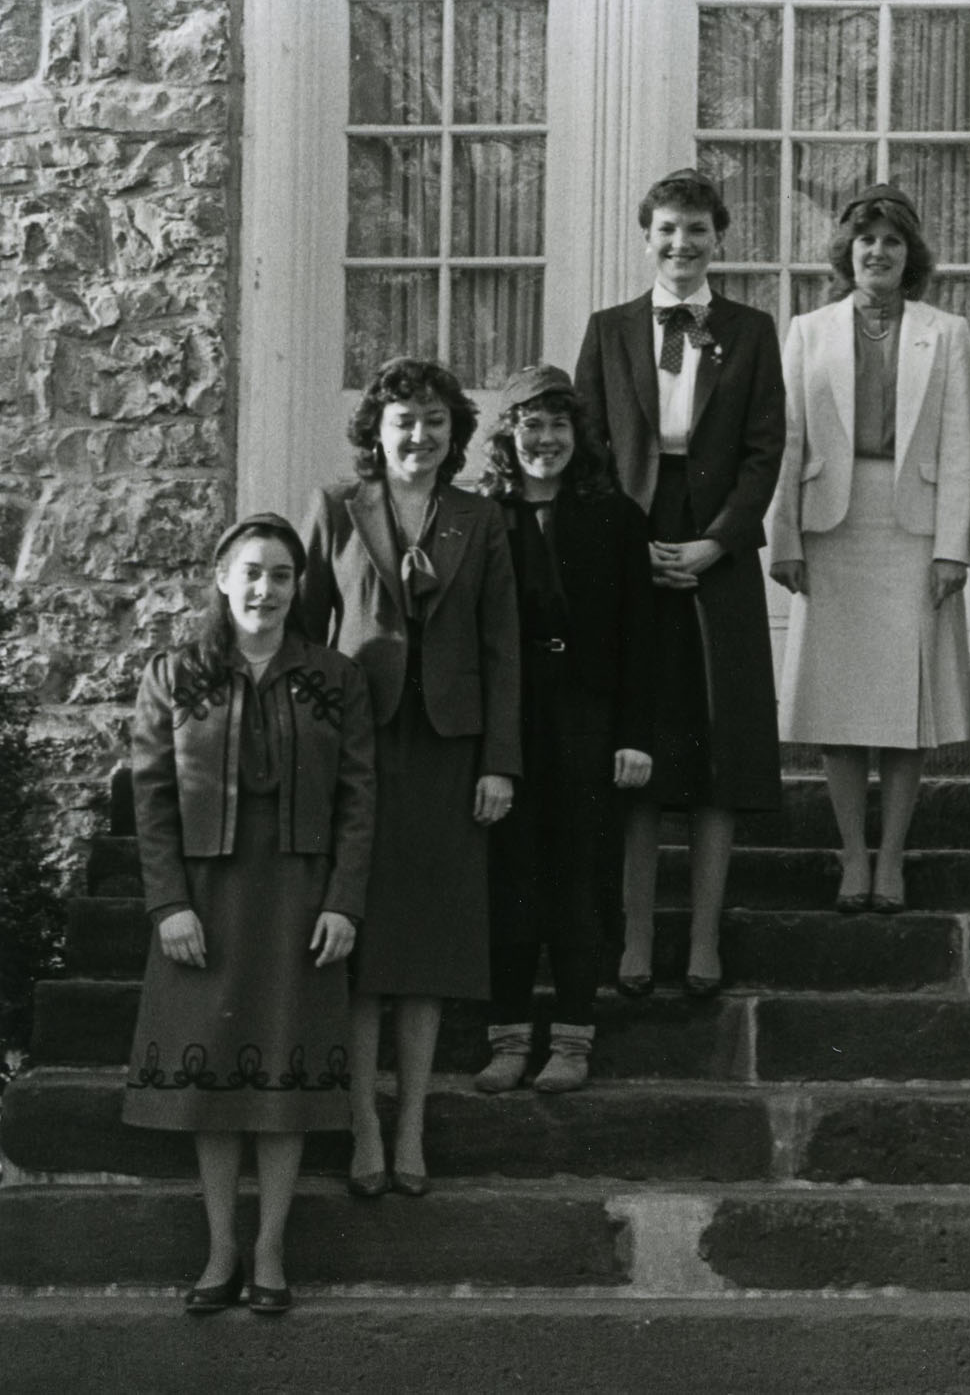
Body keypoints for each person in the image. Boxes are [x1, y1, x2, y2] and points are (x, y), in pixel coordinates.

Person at [125, 514, 374, 1315]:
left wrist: (343, 902)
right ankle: (220, 1246)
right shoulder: (174, 676)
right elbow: (152, 799)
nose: (265, 589)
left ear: (299, 587)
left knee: (282, 1076)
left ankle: (270, 1247)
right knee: (215, 1077)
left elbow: (358, 801)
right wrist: (169, 903)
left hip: (299, 902)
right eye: (252, 572)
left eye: (281, 575)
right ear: (223, 579)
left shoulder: (336, 678)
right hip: (205, 902)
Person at [300, 356, 521, 1199]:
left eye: (435, 421)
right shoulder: (337, 506)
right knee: (363, 944)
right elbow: (308, 636)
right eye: (404, 422)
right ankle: (363, 1124)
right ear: (376, 431)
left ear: (454, 432)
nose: (419, 436)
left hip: (449, 751)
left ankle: (412, 1127)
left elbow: (502, 647)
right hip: (359, 747)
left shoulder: (479, 517)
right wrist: (309, 750)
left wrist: (500, 761)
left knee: (427, 947)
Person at [573, 167, 785, 998]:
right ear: (647, 237)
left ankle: (702, 939)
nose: (681, 243)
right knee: (639, 735)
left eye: (697, 230)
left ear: (718, 238)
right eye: (667, 228)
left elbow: (765, 449)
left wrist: (716, 542)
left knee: (717, 742)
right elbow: (589, 445)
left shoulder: (751, 331)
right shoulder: (610, 329)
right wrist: (625, 544)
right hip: (633, 533)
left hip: (715, 546)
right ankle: (634, 938)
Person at [768, 183, 970, 914]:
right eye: (866, 241)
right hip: (833, 524)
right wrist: (785, 537)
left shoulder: (945, 332)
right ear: (847, 252)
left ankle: (892, 857)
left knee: (903, 704)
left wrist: (953, 547)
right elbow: (787, 440)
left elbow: (959, 444)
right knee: (840, 699)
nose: (878, 253)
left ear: (910, 255)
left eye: (892, 241)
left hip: (912, 526)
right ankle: (853, 853)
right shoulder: (808, 330)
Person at [475, 364, 655, 1094]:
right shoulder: (484, 519)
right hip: (508, 719)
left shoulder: (615, 517)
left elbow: (642, 633)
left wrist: (635, 733)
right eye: (530, 425)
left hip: (589, 716)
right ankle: (509, 1036)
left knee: (581, 875)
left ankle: (574, 1037)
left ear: (579, 435)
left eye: (558, 425)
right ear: (507, 436)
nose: (544, 439)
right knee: (511, 875)